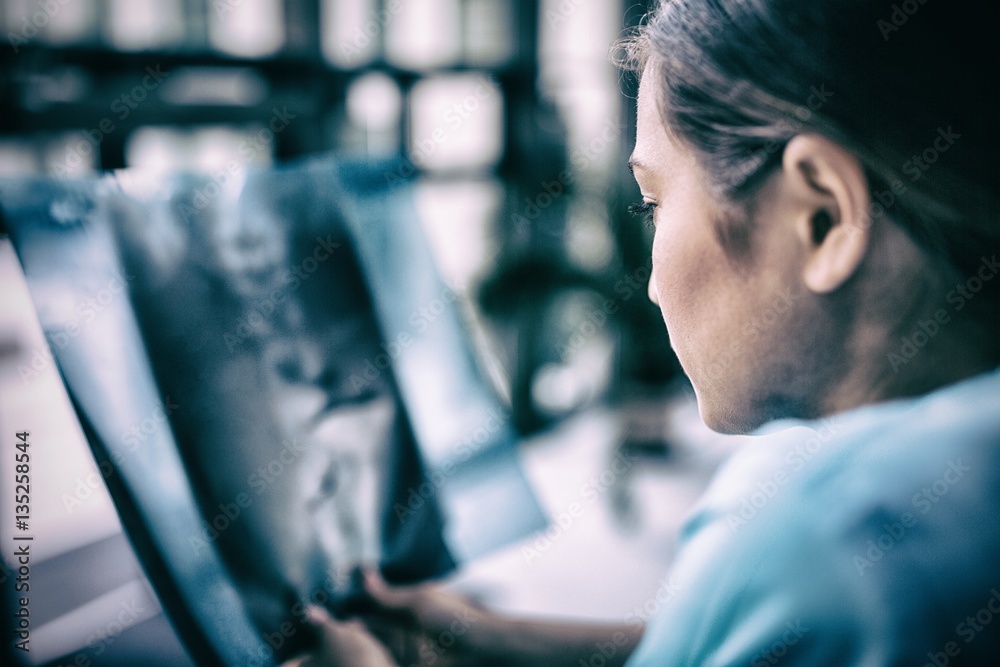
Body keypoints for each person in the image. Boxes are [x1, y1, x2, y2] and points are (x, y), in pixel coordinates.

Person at [287, 0, 1000, 664]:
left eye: (652, 203)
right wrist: (494, 640)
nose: (653, 283)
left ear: (821, 216)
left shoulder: (817, 527)